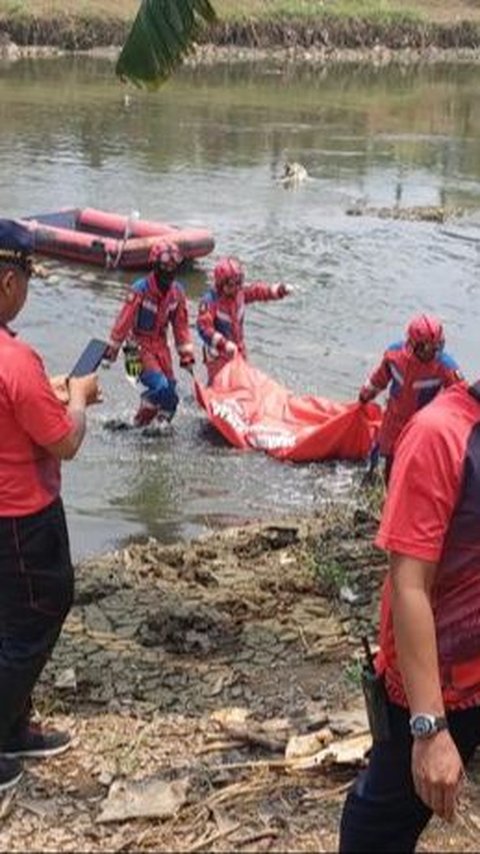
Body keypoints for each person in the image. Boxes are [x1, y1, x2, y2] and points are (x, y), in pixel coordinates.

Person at [339, 374, 480, 852]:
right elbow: (409, 584)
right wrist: (429, 728)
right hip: (432, 687)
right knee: (379, 828)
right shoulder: (440, 434)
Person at [0, 220, 101, 792]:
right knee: (35, 622)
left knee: (10, 625)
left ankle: (14, 728)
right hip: (22, 517)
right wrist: (80, 398)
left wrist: (55, 391)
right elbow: (64, 439)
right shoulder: (16, 360)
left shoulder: (17, 366)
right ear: (10, 283)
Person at [358, 314, 462, 482]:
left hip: (420, 426)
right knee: (385, 459)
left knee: (414, 465)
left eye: (436, 348)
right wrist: (365, 395)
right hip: (393, 420)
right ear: (412, 345)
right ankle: (374, 483)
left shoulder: (445, 367)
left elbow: (461, 398)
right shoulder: (394, 356)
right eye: (426, 348)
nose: (431, 353)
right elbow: (379, 379)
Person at [105, 242, 195, 426]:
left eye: (173, 267)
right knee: (160, 387)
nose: (169, 271)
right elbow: (123, 322)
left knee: (171, 397)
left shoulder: (177, 293)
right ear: (155, 266)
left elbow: (181, 327)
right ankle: (139, 418)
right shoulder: (140, 289)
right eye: (165, 267)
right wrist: (111, 351)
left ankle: (157, 429)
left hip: (160, 348)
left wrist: (186, 355)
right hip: (135, 349)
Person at [196, 256, 291, 384]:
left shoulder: (240, 293)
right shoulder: (210, 301)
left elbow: (258, 291)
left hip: (238, 349)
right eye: (231, 284)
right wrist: (224, 344)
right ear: (221, 283)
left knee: (242, 382)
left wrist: (279, 290)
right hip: (218, 354)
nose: (236, 288)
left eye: (239, 283)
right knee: (220, 383)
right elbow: (204, 328)